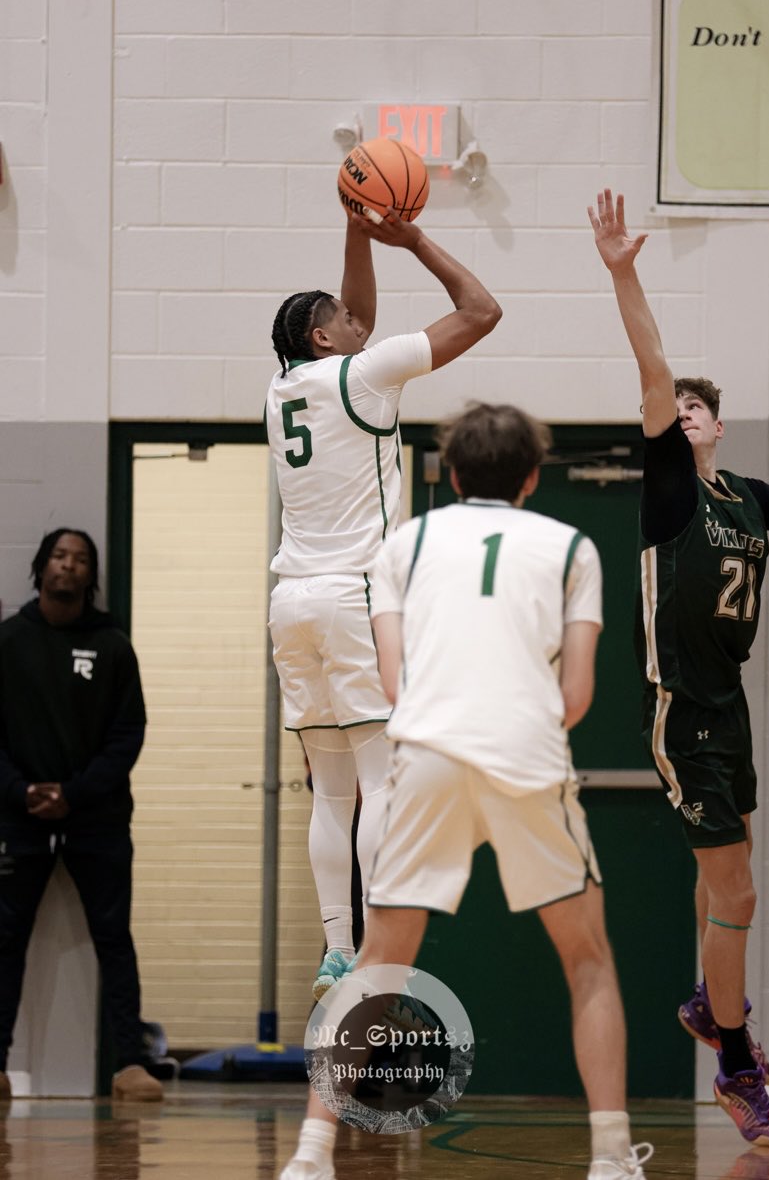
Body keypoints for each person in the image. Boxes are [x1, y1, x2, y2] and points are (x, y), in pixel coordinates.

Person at [279, 401, 654, 1180]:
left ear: (450, 475)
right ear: (531, 477)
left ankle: (311, 1155)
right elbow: (576, 695)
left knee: (376, 965)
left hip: (428, 750)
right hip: (525, 753)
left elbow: (394, 684)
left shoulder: (404, 544)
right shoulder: (572, 547)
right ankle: (612, 1158)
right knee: (587, 960)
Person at [266, 208, 501, 1000]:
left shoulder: (282, 387)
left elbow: (356, 318)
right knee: (378, 779)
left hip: (291, 599)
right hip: (353, 594)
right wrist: (414, 242)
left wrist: (356, 229)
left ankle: (336, 950)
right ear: (324, 337)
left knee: (331, 793)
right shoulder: (365, 375)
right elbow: (481, 311)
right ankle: (373, 950)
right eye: (342, 317)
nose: (357, 318)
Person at [589, 189, 769, 1146]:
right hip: (682, 709)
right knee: (739, 891)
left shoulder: (748, 497)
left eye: (702, 406)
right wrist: (624, 274)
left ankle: (712, 999)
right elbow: (653, 367)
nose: (687, 411)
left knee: (733, 868)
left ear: (721, 426)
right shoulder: (670, 490)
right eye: (679, 406)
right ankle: (736, 1064)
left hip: (729, 702)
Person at [0, 529, 162, 1102]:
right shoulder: (8, 641)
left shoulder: (112, 646)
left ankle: (131, 1064)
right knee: (5, 940)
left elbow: (128, 734)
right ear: (40, 567)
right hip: (18, 820)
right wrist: (20, 791)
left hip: (97, 820)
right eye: (59, 556)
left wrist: (75, 793)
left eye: (80, 559)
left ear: (91, 575)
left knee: (114, 939)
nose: (68, 566)